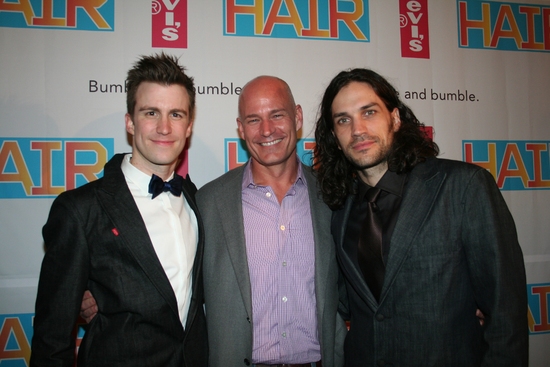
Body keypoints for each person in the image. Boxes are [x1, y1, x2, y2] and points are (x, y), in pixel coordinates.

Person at [313, 68, 528, 366]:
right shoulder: (338, 209)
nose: (357, 129)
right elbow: (347, 303)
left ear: (396, 119)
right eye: (343, 120)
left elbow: (506, 309)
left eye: (369, 112)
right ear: (335, 138)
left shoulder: (463, 186)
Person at [30, 53, 207, 367]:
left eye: (176, 114)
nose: (164, 127)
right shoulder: (80, 210)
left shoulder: (198, 199)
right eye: (151, 112)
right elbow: (52, 339)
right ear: (130, 121)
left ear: (189, 126)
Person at [196, 75, 346, 366]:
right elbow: (177, 284)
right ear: (240, 129)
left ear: (297, 117)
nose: (267, 130)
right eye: (253, 120)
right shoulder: (209, 202)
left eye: (277, 115)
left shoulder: (332, 197)